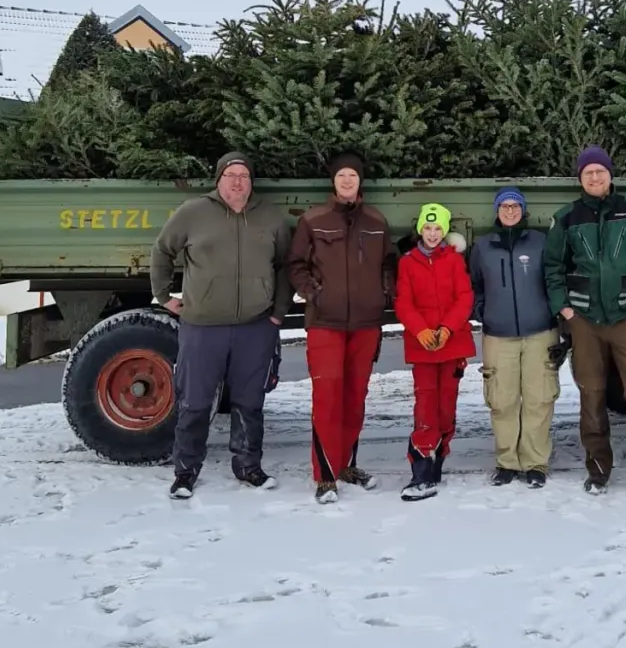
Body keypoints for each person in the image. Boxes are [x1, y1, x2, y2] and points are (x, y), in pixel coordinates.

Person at [150, 151, 291, 497]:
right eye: (231, 175)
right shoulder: (193, 212)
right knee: (195, 401)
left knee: (249, 402)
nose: (238, 181)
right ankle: (185, 471)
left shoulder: (270, 217)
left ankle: (247, 465)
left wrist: (278, 313)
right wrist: (163, 296)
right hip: (202, 326)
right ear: (219, 181)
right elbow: (162, 251)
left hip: (255, 326)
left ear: (251, 181)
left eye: (244, 175)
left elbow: (287, 265)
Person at [544, 146, 626, 502]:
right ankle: (597, 470)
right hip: (584, 321)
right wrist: (565, 310)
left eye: (600, 171)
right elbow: (552, 268)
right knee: (591, 396)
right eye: (588, 173)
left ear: (610, 175)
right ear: (580, 178)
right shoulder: (567, 218)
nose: (595, 177)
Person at [289, 151, 393, 504]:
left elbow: (388, 263)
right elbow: (296, 265)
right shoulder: (313, 220)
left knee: (355, 398)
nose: (347, 181)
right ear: (333, 181)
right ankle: (325, 475)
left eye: (353, 175)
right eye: (341, 175)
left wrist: (384, 290)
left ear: (360, 181)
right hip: (326, 324)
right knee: (328, 399)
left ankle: (346, 464)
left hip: (365, 324)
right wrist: (313, 293)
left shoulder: (376, 221)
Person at [469, 187, 559, 487]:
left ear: (524, 210)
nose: (510, 211)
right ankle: (507, 461)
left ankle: (535, 463)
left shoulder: (540, 243)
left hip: (540, 333)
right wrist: (484, 311)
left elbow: (553, 280)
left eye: (516, 205)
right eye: (504, 206)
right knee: (502, 400)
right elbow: (476, 285)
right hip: (499, 335)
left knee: (539, 399)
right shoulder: (483, 247)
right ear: (496, 210)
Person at [394, 202, 476, 501]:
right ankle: (420, 468)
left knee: (446, 405)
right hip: (423, 346)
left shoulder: (453, 261)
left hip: (451, 343)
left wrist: (447, 329)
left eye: (437, 228)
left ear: (445, 231)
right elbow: (404, 302)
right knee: (425, 405)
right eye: (427, 228)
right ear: (420, 231)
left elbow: (464, 297)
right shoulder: (408, 263)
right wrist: (422, 331)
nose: (432, 233)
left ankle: (438, 457)